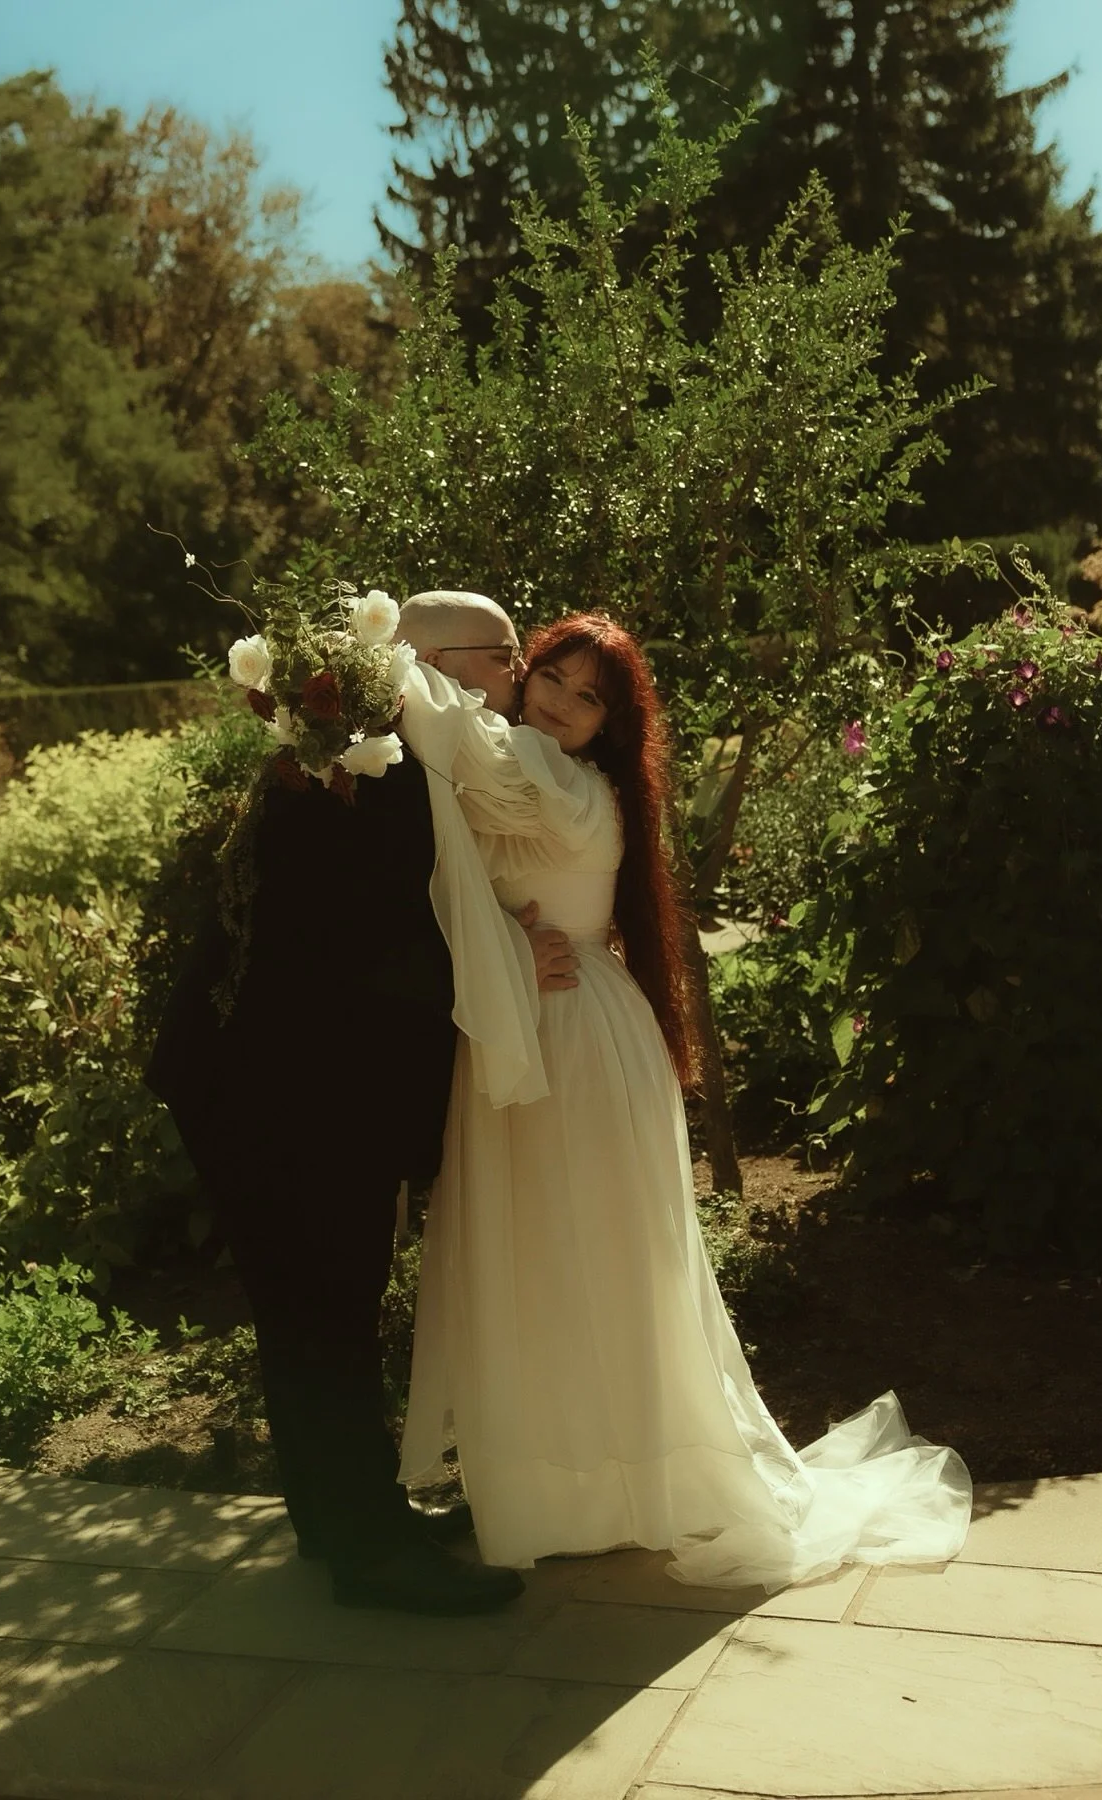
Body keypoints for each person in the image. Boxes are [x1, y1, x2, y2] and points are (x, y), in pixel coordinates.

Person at [395, 609, 972, 1590]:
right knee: (526, 1262)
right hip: (519, 1032)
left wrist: (384, 652)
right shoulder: (523, 756)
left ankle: (624, 1488)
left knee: (601, 1262)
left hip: (577, 1041)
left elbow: (446, 732)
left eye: (590, 700)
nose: (564, 706)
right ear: (528, 669)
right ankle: (552, 1491)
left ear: (610, 726)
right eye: (554, 679)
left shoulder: (571, 786)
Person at [143, 590, 578, 1615]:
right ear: (456, 663)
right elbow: (385, 941)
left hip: (274, 1077)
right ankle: (373, 1554)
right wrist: (516, 957)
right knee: (324, 1309)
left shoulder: (371, 750)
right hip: (284, 1089)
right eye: (510, 658)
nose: (517, 681)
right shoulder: (368, 767)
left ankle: (337, 1522)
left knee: (311, 1313)